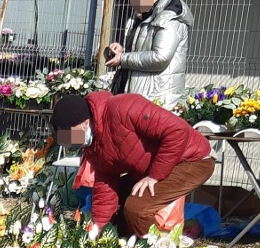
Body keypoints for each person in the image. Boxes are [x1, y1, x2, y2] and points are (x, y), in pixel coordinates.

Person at [51, 92, 214, 237]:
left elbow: (177, 131)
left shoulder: (123, 108)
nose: (70, 143)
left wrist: (154, 176)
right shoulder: (93, 147)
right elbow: (105, 187)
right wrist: (98, 231)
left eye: (69, 136)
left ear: (84, 123)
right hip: (156, 167)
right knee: (119, 205)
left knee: (137, 209)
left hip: (192, 159)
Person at [106, 0, 193, 108]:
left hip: (158, 98)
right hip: (139, 96)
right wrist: (121, 51)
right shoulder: (142, 15)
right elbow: (140, 51)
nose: (134, 3)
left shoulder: (170, 18)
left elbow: (160, 57)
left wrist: (123, 58)